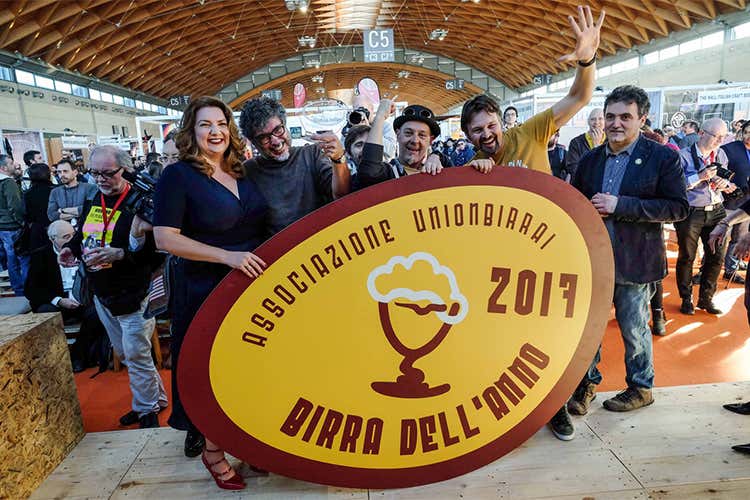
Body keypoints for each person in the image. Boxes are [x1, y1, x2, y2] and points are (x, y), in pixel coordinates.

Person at [153, 96, 269, 491]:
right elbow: (165, 238)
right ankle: (214, 451)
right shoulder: (178, 176)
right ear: (192, 131)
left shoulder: (241, 171)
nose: (215, 131)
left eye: (221, 123)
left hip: (247, 287)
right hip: (204, 287)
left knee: (248, 373)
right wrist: (226, 257)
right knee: (212, 375)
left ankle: (245, 442)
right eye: (205, 124)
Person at [569, 85, 688, 414]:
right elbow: (575, 202)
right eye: (610, 116)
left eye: (625, 117)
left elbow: (678, 207)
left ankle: (640, 387)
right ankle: (585, 386)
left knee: (634, 328)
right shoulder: (590, 160)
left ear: (642, 119)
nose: (615, 123)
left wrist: (621, 205)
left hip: (635, 261)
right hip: (593, 261)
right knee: (588, 329)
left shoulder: (662, 158)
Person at [58, 145, 168, 429]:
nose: (100, 179)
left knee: (137, 354)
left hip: (134, 293)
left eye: (108, 173)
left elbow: (159, 254)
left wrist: (121, 254)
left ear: (125, 170)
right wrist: (71, 248)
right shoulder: (94, 198)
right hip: (102, 292)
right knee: (128, 353)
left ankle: (146, 409)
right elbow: (83, 233)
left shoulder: (143, 203)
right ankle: (156, 399)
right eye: (94, 173)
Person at [462, 6, 605, 175]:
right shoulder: (471, 169)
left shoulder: (529, 132)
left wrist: (588, 60)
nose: (487, 134)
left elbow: (579, 97)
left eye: (492, 125)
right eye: (478, 130)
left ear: (501, 123)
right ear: (468, 136)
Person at [239, 96, 350, 237]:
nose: (275, 141)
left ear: (285, 125)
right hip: (280, 249)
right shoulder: (248, 171)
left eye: (278, 130)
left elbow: (341, 195)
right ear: (253, 142)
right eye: (264, 138)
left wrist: (338, 159)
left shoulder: (312, 154)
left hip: (322, 243)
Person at [675, 118, 737, 316]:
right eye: (716, 136)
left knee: (717, 256)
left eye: (723, 137)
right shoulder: (682, 156)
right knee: (687, 256)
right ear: (701, 133)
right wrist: (700, 177)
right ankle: (686, 298)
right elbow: (676, 186)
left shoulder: (721, 154)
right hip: (692, 211)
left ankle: (706, 298)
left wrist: (725, 185)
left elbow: (726, 181)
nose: (720, 141)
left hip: (717, 208)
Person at [357, 100, 453, 188]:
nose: (415, 140)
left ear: (431, 140)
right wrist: (380, 116)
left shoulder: (441, 169)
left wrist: (437, 155)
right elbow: (369, 173)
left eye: (422, 135)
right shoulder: (388, 173)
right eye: (408, 133)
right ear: (397, 134)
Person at [720, 120, 750, 283]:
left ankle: (731, 269)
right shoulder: (729, 149)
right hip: (729, 201)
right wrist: (727, 184)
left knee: (739, 238)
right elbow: (719, 170)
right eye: (746, 132)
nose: (748, 136)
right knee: (721, 237)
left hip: (747, 204)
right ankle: (707, 269)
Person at [0, 153, 29, 295]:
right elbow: (15, 206)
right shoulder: (8, 183)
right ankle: (26, 289)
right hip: (13, 226)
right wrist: (22, 222)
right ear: (4, 167)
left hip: (3, 227)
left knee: (11, 259)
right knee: (22, 258)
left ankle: (18, 289)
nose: (14, 165)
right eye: (11, 163)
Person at [47, 159, 98, 224]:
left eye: (65, 171)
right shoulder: (55, 192)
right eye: (59, 172)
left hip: (86, 226)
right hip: (64, 228)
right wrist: (79, 212)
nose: (62, 175)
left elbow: (92, 209)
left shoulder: (90, 188)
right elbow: (51, 215)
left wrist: (62, 210)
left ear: (75, 172)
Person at [566, 108, 605, 178]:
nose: (596, 122)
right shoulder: (576, 142)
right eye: (593, 119)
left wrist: (596, 146)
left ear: (605, 121)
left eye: (600, 119)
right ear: (588, 122)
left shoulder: (611, 141)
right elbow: (573, 170)